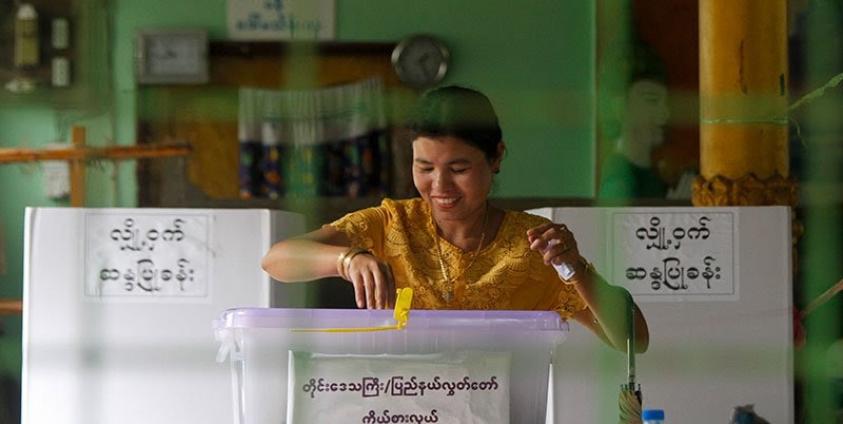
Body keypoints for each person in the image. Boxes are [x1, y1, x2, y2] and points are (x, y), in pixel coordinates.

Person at [262, 86, 649, 352]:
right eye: (424, 167)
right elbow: (277, 259)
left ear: (496, 157)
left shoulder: (533, 247)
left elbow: (634, 340)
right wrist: (346, 259)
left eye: (459, 168)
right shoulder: (392, 223)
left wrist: (576, 268)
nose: (439, 186)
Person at [597, 42, 682, 200]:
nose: (664, 114)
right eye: (652, 100)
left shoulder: (654, 175)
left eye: (666, 103)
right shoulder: (620, 180)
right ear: (620, 107)